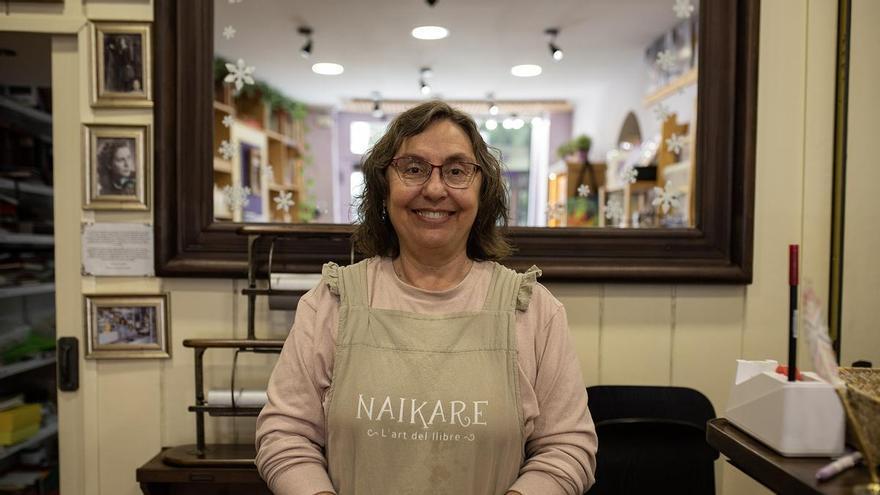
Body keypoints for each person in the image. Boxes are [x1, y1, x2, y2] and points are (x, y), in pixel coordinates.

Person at [255, 101, 597, 495]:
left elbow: (567, 449)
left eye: (456, 171)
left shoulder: (534, 311)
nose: (435, 189)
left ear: (482, 191)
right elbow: (285, 435)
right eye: (414, 169)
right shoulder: (332, 303)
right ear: (384, 188)